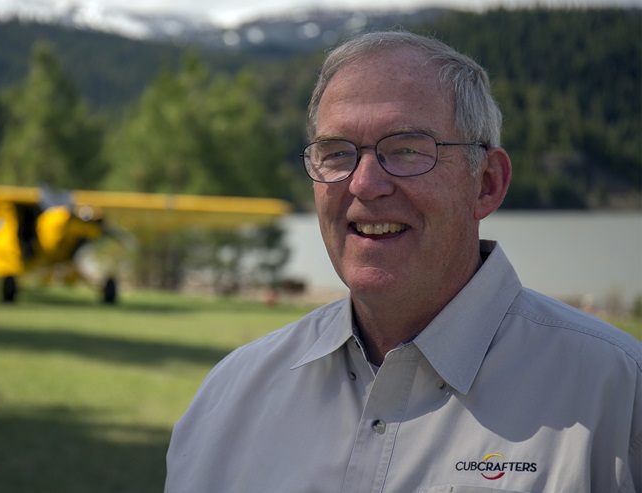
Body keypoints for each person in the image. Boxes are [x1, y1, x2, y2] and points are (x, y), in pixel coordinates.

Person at [165, 30, 641, 492]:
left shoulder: (617, 397)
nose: (364, 184)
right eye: (336, 153)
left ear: (487, 183)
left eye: (408, 149)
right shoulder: (230, 397)